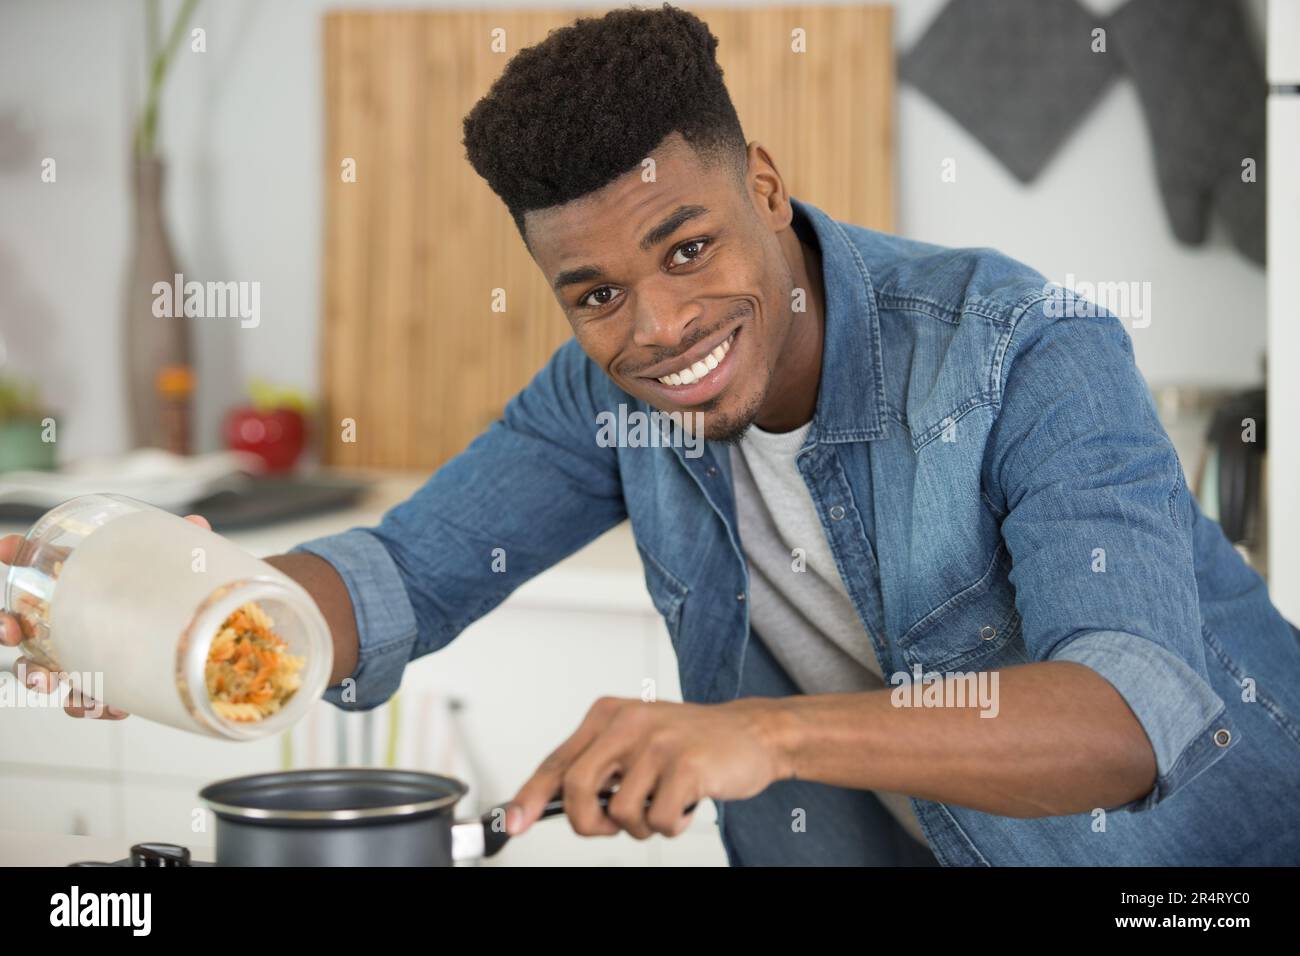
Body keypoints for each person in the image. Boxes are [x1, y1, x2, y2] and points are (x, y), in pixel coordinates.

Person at [6, 4, 1298, 865]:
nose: (662, 326)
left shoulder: (1024, 346)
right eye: (597, 293)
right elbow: (408, 572)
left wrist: (769, 735)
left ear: (768, 187)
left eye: (688, 248)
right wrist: (195, 622)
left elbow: (1125, 720)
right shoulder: (609, 397)